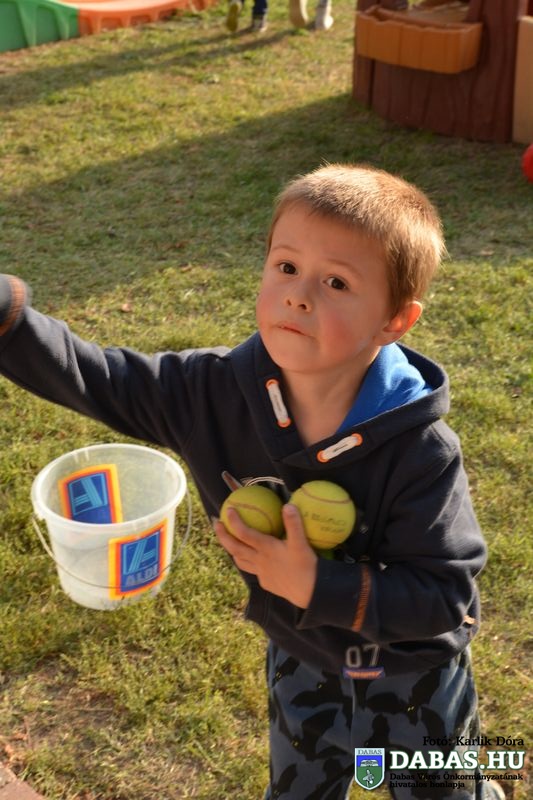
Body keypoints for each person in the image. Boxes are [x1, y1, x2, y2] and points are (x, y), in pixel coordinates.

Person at [0, 164, 502, 800]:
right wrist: (9, 320)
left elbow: (444, 595)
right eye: (287, 267)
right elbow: (99, 378)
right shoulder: (212, 393)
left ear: (394, 322)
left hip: (412, 674)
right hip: (300, 655)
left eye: (337, 282)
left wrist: (317, 585)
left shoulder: (418, 449)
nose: (299, 296)